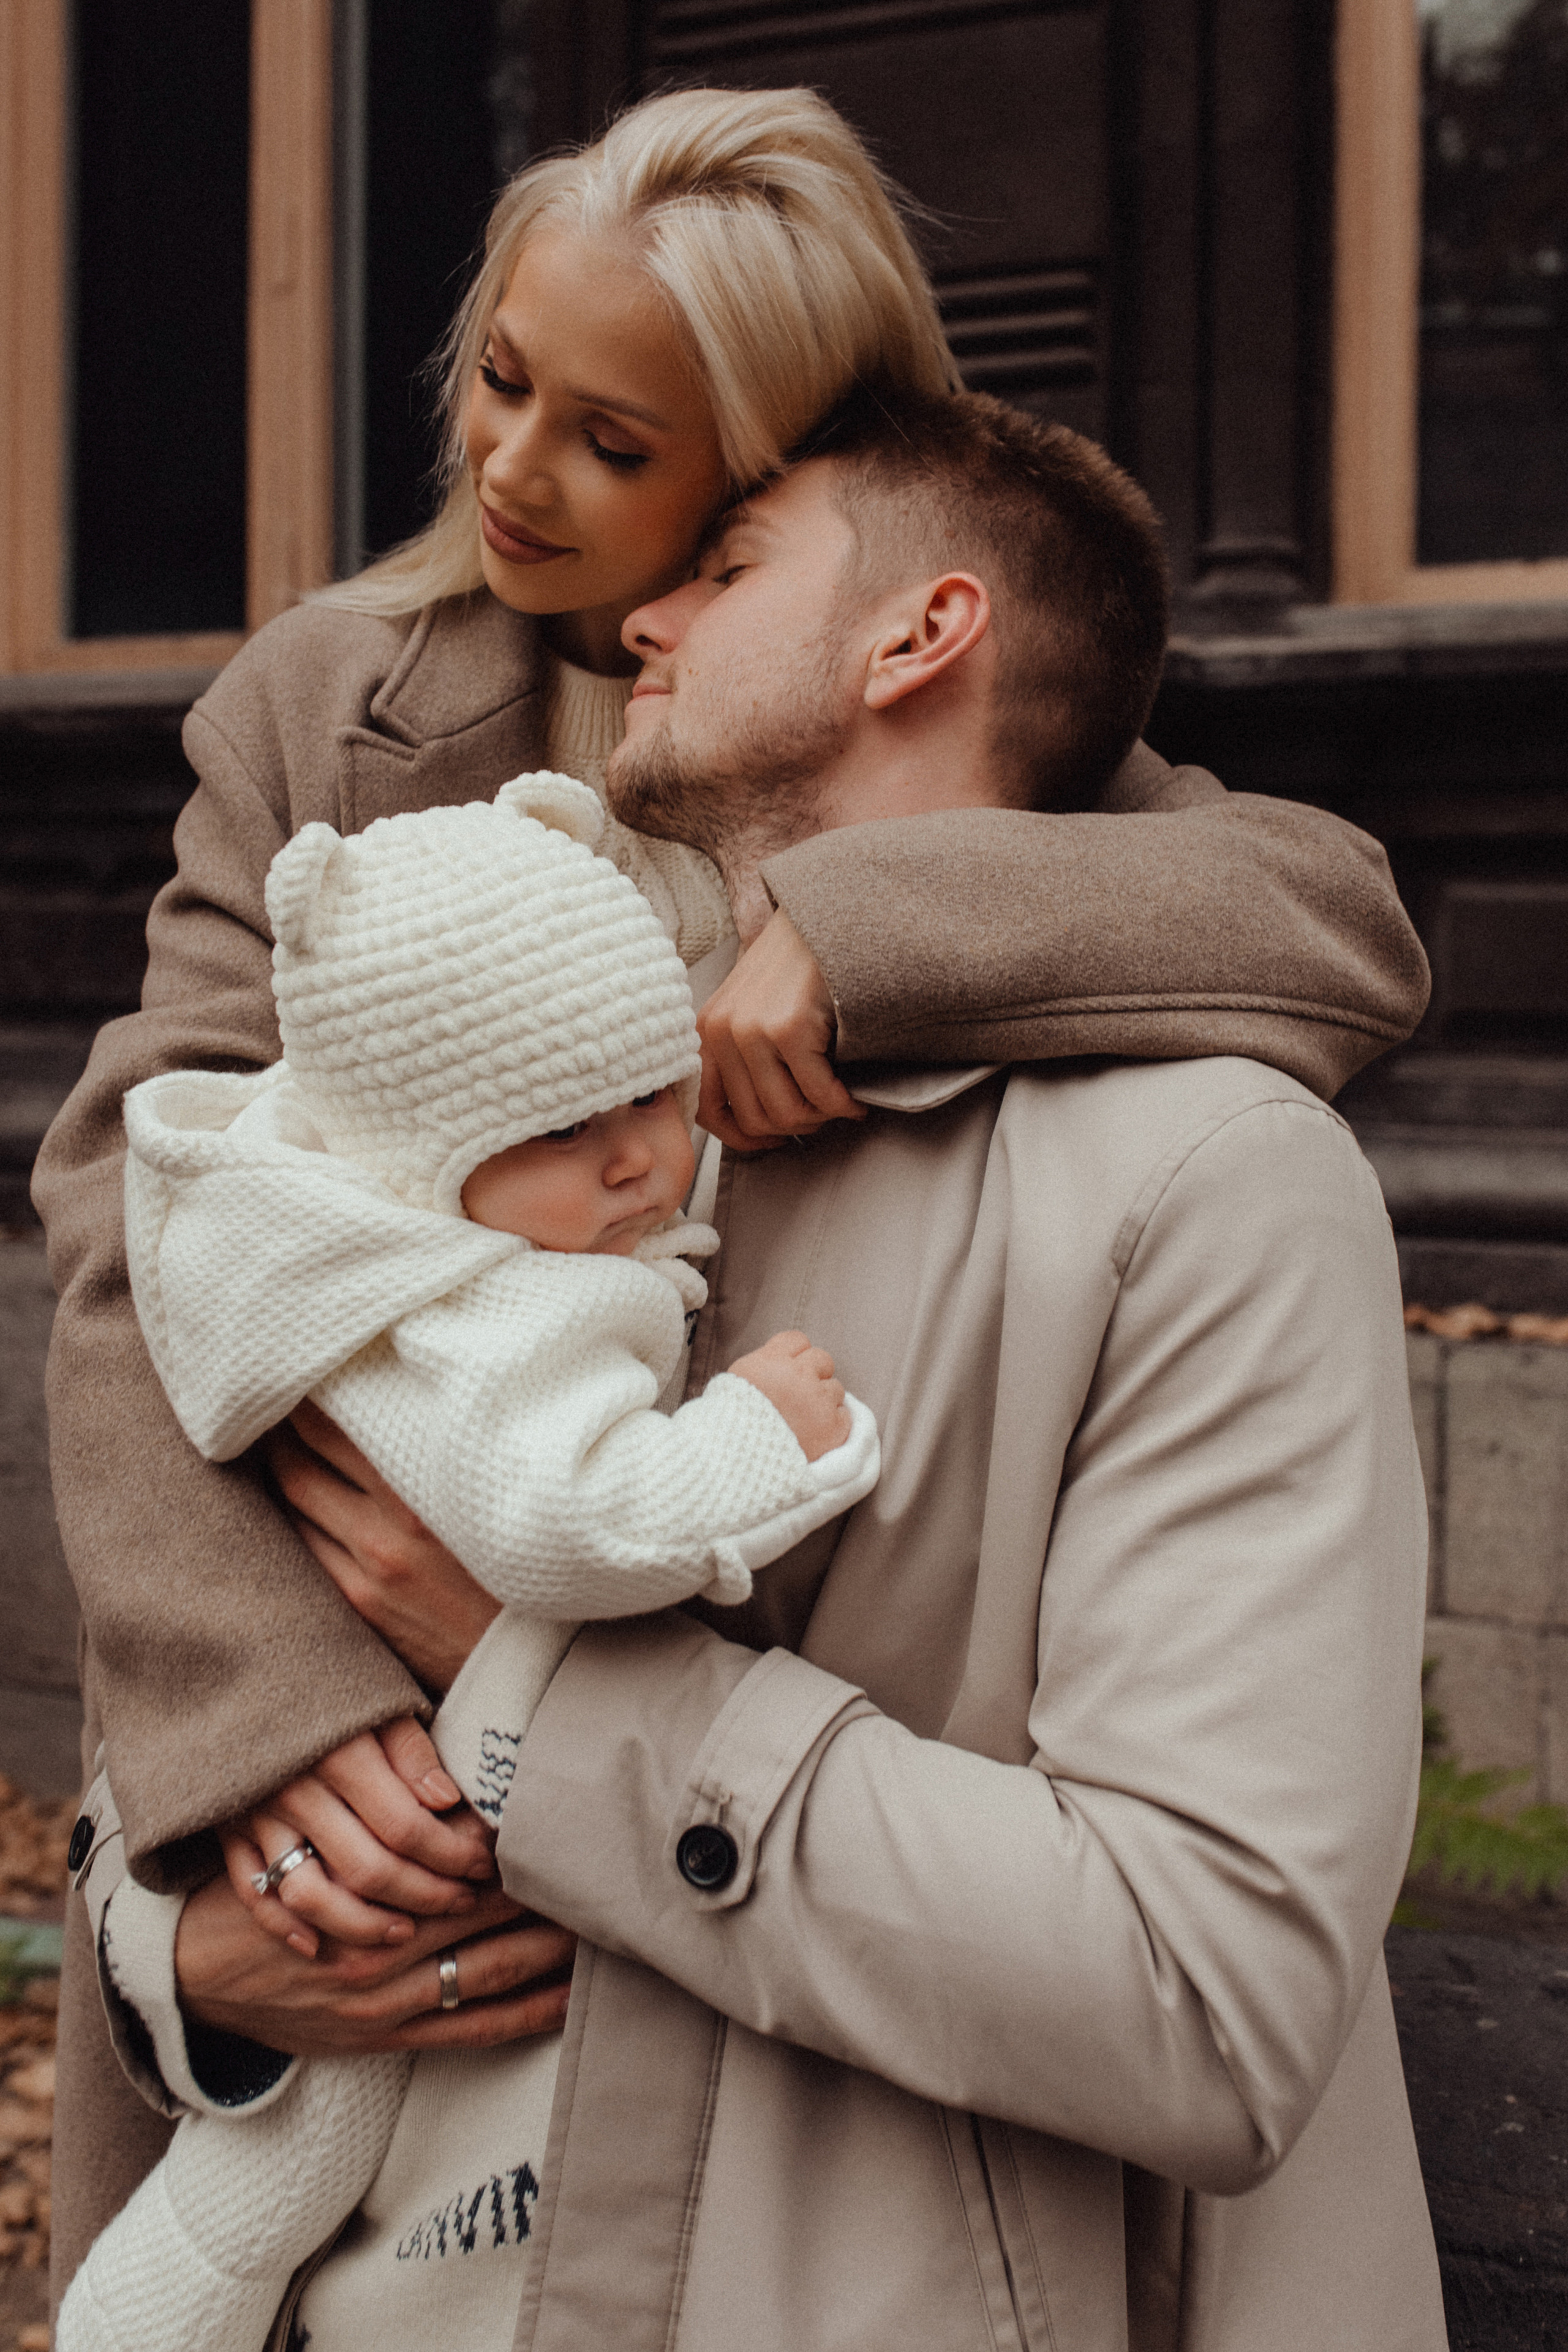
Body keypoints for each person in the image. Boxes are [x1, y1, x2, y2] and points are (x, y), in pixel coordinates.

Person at [34, 83, 1430, 2323]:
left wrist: (892, 922)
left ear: (777, 468)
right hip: (392, 1748)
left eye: (620, 443)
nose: (517, 473)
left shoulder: (1086, 1020)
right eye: (499, 378)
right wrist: (263, 1759)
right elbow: (146, 1232)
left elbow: (1329, 910)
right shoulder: (342, 708)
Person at [61, 774, 878, 2352]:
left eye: (656, 1092)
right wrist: (769, 1440)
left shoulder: (365, 1215)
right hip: (459, 1791)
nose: (645, 1161)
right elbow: (566, 1524)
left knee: (283, 2169)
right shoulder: (501, 1307)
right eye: (567, 1134)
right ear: (432, 1160)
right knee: (314, 2144)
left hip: (442, 1848)